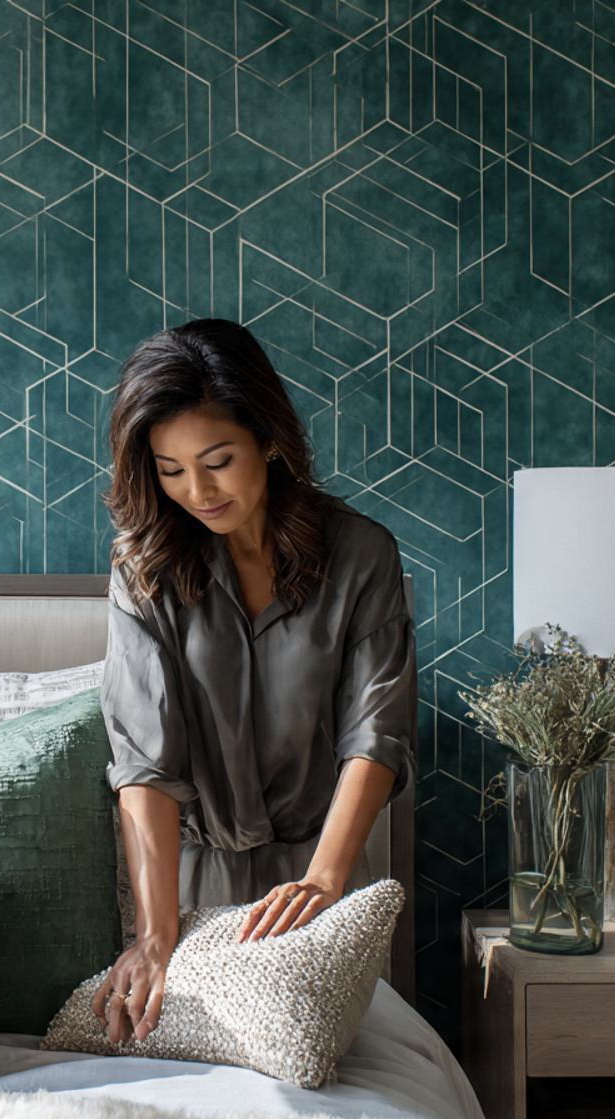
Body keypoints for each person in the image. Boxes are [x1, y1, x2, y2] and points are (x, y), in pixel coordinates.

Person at [92, 318, 417, 1047]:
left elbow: (378, 734)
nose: (197, 490)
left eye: (217, 460)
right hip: (186, 896)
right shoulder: (142, 573)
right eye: (170, 470)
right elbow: (146, 761)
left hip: (323, 878)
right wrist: (155, 933)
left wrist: (326, 883)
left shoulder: (363, 555)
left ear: (267, 438)